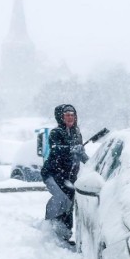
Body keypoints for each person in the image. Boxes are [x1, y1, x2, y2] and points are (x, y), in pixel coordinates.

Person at [40, 104, 88, 244]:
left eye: (72, 114)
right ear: (61, 117)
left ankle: (65, 234)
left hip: (69, 176)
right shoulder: (56, 133)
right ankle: (49, 224)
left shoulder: (77, 133)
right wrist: (71, 149)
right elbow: (55, 149)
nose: (70, 117)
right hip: (52, 173)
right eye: (67, 114)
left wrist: (91, 163)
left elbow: (80, 153)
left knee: (70, 202)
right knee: (61, 197)